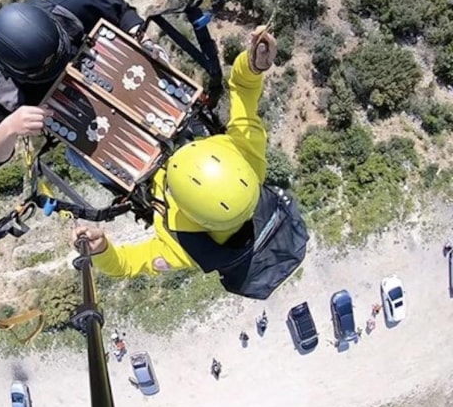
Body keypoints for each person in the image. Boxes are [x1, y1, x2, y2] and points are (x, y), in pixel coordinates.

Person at [72, 26, 309, 299]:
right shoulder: (249, 161)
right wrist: (254, 64)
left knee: (75, 153)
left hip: (135, 172)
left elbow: (124, 264)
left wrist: (101, 249)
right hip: (178, 124)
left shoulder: (186, 249)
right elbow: (244, 89)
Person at [0, 0, 149, 170]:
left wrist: (141, 37)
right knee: (78, 157)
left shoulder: (66, 8)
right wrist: (9, 127)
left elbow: (119, 10)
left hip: (131, 83)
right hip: (97, 136)